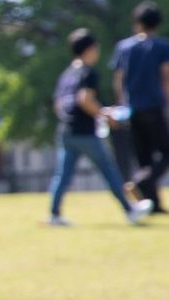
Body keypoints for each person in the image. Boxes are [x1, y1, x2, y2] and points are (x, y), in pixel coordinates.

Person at [49, 28, 152, 226]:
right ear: (88, 49)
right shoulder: (88, 73)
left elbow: (58, 104)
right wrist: (104, 115)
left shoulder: (67, 74)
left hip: (65, 131)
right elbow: (85, 99)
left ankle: (54, 214)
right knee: (109, 169)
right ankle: (130, 210)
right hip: (85, 132)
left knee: (62, 175)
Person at [111, 1, 169, 213]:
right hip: (154, 106)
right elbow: (166, 77)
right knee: (165, 152)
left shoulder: (124, 47)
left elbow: (118, 79)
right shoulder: (162, 46)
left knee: (143, 157)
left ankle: (153, 204)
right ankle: (141, 182)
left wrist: (120, 105)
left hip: (132, 109)